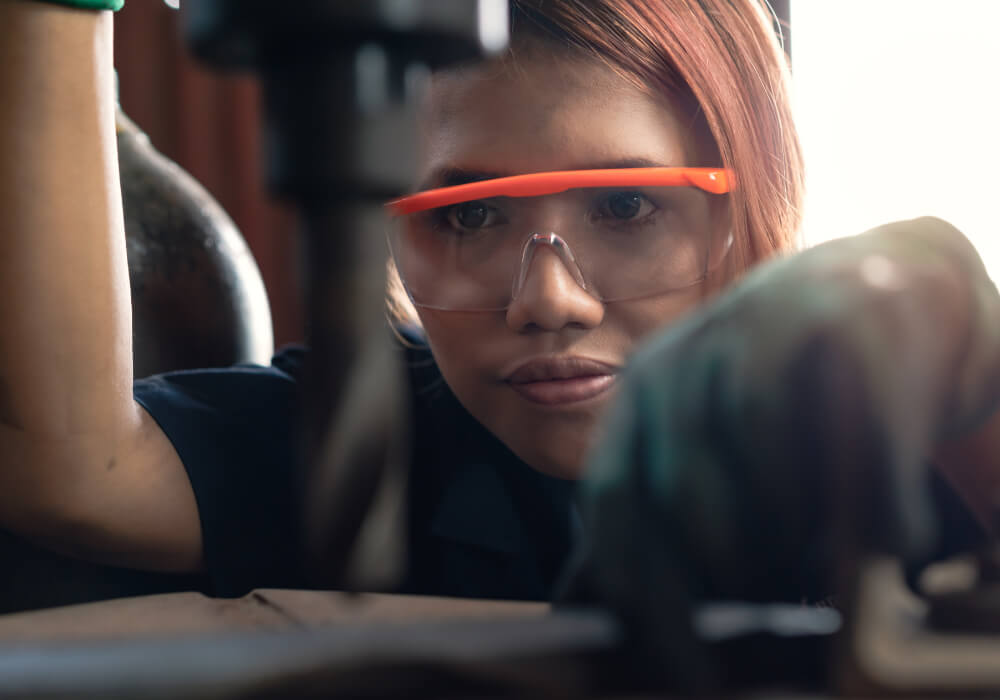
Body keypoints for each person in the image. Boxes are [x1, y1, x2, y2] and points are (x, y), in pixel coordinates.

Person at [0, 0, 996, 612]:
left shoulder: (892, 413)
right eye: (469, 216)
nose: (548, 300)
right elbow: (78, 469)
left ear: (757, 188)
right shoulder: (382, 438)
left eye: (625, 205)